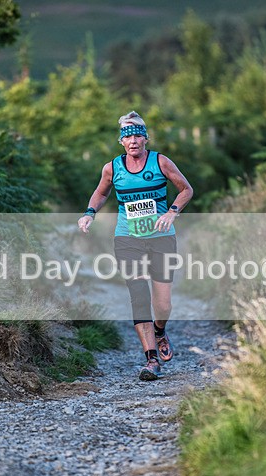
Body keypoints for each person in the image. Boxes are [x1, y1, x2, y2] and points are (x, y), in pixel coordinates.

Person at [78, 111, 193, 381]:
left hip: (161, 238)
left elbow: (186, 189)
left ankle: (160, 329)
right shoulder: (112, 168)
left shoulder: (160, 162)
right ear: (121, 142)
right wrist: (89, 213)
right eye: (127, 136)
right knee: (139, 295)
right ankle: (151, 360)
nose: (132, 140)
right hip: (127, 239)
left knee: (162, 303)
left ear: (145, 138)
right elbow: (101, 192)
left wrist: (171, 212)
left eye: (137, 135)